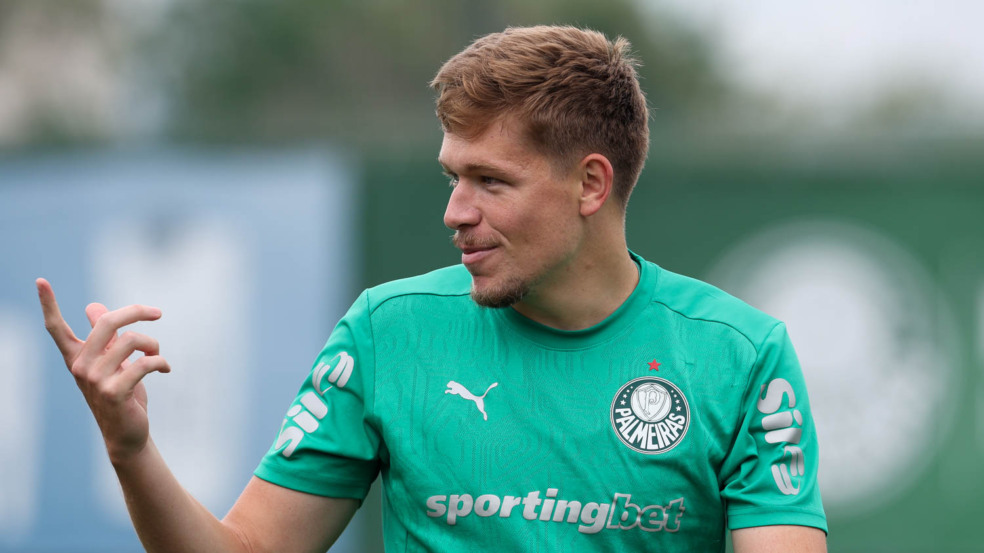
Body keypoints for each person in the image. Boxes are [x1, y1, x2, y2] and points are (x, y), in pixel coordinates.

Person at [37, 25, 827, 552]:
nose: (456, 212)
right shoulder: (387, 332)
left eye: (491, 181)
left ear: (591, 184)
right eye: (453, 176)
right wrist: (130, 447)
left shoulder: (741, 357)